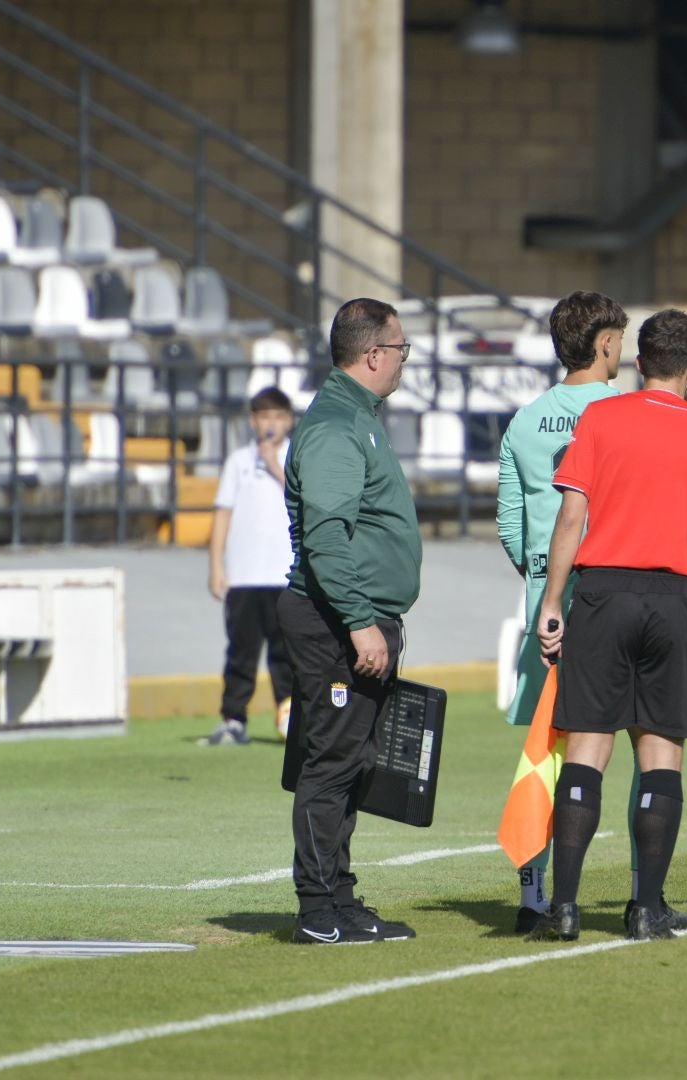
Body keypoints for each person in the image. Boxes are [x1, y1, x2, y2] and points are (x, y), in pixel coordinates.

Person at [534, 308, 687, 942]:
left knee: (587, 749)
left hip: (602, 592)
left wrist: (554, 602)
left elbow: (570, 518)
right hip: (675, 599)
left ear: (638, 363)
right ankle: (647, 908)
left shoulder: (601, 417)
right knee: (661, 757)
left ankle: (566, 907)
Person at [496, 291, 687, 936]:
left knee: (547, 754)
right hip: (616, 594)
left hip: (545, 608)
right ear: (607, 344)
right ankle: (644, 894)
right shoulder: (628, 411)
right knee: (647, 746)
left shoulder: (525, 420)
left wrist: (541, 590)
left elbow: (509, 523)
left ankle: (534, 896)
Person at [278, 297, 423, 945]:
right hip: (335, 621)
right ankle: (317, 909)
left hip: (354, 617)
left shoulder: (359, 417)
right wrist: (362, 622)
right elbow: (327, 538)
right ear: (373, 354)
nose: (403, 361)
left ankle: (341, 898)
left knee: (355, 762)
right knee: (332, 764)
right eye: (401, 350)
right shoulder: (337, 427)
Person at [203, 387, 296, 747]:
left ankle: (291, 720)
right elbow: (223, 514)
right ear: (253, 421)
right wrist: (216, 566)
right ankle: (233, 719)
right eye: (263, 417)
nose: (270, 424)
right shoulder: (238, 461)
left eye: (277, 417)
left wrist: (274, 464)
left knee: (286, 656)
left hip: (285, 576)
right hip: (244, 577)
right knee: (240, 653)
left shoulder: (295, 458)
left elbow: (302, 497)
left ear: (288, 421)